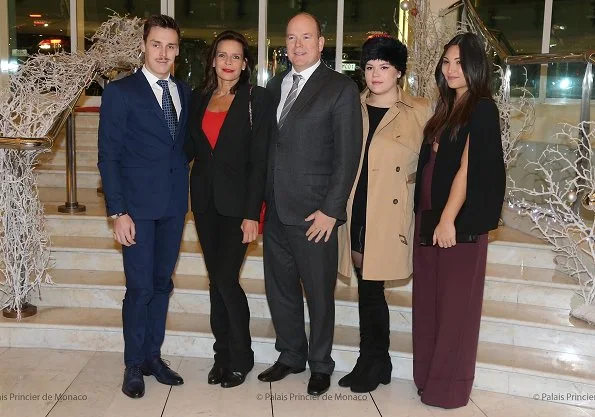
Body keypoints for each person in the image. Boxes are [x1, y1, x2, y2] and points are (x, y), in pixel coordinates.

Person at [257, 12, 362, 397]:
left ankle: (320, 363)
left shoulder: (340, 88)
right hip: (276, 211)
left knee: (318, 293)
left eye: (307, 37)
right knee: (280, 289)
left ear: (321, 43)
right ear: (284, 45)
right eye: (291, 38)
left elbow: (348, 155)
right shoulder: (274, 86)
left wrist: (332, 210)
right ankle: (290, 355)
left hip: (315, 213)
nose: (298, 45)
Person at [98, 14, 190, 399]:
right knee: (139, 289)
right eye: (157, 44)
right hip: (135, 210)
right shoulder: (121, 92)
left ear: (178, 50)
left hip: (172, 208)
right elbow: (109, 156)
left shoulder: (184, 92)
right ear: (143, 45)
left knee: (161, 285)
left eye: (170, 46)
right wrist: (117, 212)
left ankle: (153, 356)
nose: (163, 52)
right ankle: (133, 364)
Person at [412, 32, 506, 409]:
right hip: (430, 219)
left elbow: (469, 169)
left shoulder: (481, 107)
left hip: (456, 225)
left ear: (475, 67)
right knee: (429, 306)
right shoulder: (446, 106)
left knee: (455, 312)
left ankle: (448, 389)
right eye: (446, 62)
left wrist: (448, 218)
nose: (451, 70)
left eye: (459, 63)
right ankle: (427, 379)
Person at [337, 35, 431, 393]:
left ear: (399, 72)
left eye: (384, 67)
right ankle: (379, 361)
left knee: (372, 289)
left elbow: (433, 165)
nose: (375, 74)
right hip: (357, 207)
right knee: (367, 288)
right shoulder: (352, 105)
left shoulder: (420, 110)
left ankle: (371, 361)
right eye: (370, 67)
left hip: (389, 213)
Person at [184, 30, 273, 388]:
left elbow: (260, 161)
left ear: (245, 63)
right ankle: (222, 356)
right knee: (215, 282)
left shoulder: (257, 99)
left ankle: (242, 356)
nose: (228, 63)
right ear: (213, 60)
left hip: (239, 207)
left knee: (225, 278)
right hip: (205, 202)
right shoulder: (199, 97)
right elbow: (191, 149)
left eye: (236, 57)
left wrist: (254, 213)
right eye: (222, 55)